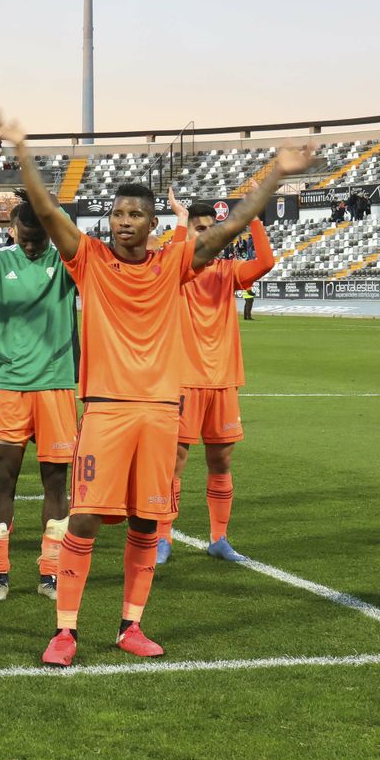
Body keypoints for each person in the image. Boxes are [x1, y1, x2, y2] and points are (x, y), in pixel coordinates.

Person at [0, 109, 311, 667]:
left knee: (146, 521)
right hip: (107, 412)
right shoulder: (87, 260)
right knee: (87, 518)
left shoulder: (173, 263)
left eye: (135, 214)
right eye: (116, 213)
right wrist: (23, 151)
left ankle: (130, 626)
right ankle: (65, 630)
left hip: (162, 411)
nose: (123, 221)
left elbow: (230, 228)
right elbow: (45, 210)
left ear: (151, 224)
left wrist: (275, 176)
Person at [0, 190, 78, 602]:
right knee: (2, 479)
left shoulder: (65, 260)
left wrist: (51, 206)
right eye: (24, 237)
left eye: (37, 239)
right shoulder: (0, 260)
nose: (29, 245)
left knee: (56, 484)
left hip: (57, 384)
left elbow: (77, 241)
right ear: (11, 230)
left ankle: (51, 572)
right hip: (12, 386)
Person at [153, 198, 276, 567]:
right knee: (173, 462)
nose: (206, 234)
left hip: (222, 379)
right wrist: (178, 222)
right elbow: (173, 255)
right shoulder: (176, 265)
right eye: (199, 228)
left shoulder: (227, 269)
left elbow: (266, 263)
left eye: (212, 229)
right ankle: (162, 538)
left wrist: (253, 218)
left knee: (220, 460)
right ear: (190, 231)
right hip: (184, 380)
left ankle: (219, 538)